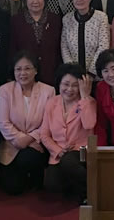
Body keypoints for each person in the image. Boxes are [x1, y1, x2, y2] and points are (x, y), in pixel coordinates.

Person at [0, 52, 54, 195]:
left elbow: (48, 122)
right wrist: (20, 139)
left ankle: (35, 175)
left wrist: (30, 138)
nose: (23, 73)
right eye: (18, 69)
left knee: (28, 158)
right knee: (12, 188)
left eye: (27, 68)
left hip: (37, 143)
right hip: (12, 143)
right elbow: (3, 121)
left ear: (36, 70)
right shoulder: (5, 90)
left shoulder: (48, 91)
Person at [41, 64, 96, 202]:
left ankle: (91, 191)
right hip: (59, 153)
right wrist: (58, 151)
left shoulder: (88, 102)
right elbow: (44, 135)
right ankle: (74, 185)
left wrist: (85, 97)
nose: (70, 89)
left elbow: (89, 124)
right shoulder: (52, 103)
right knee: (51, 185)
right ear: (59, 83)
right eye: (66, 84)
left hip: (81, 152)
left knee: (68, 162)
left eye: (75, 85)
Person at [10, 0, 63, 86]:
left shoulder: (55, 20)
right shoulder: (16, 21)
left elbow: (59, 49)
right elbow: (12, 49)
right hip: (25, 77)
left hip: (51, 74)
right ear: (25, 0)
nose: (35, 1)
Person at [61, 0, 110, 75]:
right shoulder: (67, 19)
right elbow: (64, 47)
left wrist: (91, 73)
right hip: (73, 75)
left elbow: (103, 46)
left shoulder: (101, 17)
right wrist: (72, 71)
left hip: (96, 73)